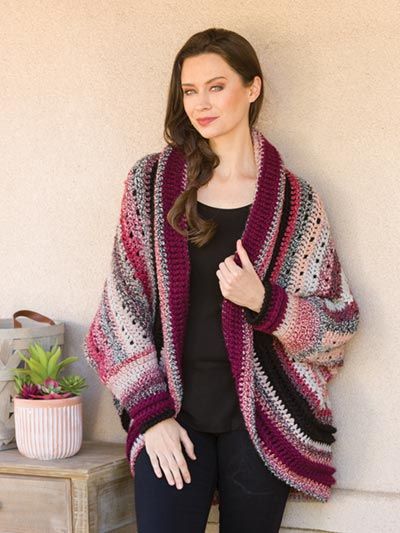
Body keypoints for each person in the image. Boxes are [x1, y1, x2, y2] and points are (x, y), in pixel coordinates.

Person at [83, 27, 360, 533]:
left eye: (216, 86)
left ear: (252, 88)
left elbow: (338, 324)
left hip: (260, 421)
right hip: (174, 415)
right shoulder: (151, 184)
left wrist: (267, 303)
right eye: (189, 90)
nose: (200, 104)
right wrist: (152, 414)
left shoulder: (296, 201)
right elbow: (119, 310)